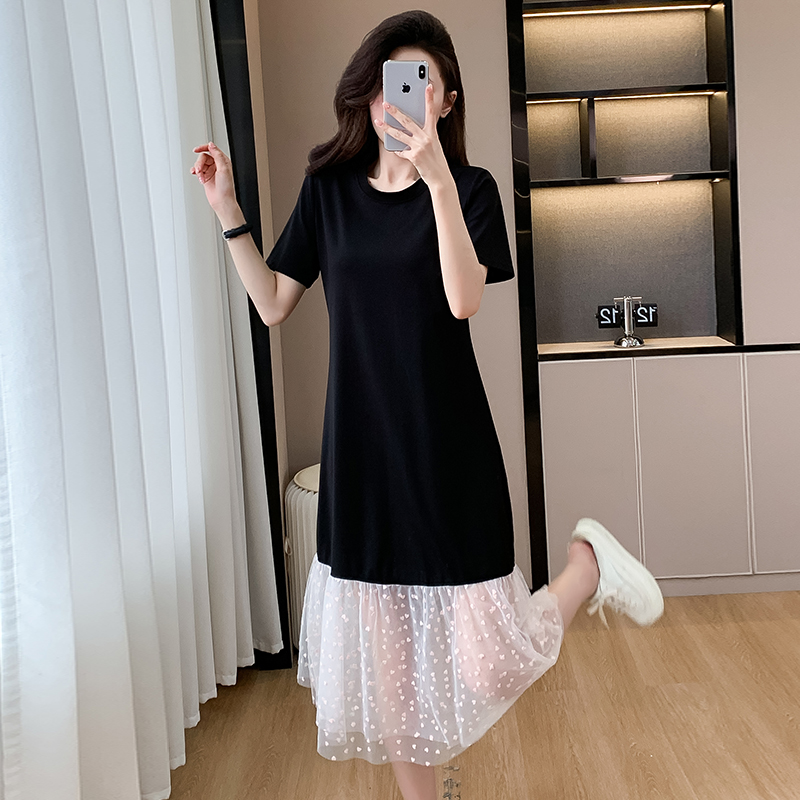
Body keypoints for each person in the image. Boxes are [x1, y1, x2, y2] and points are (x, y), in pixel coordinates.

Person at [190, 10, 664, 800]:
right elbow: (273, 303)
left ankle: (585, 566)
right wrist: (227, 210)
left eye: (419, 84)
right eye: (386, 83)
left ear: (445, 100)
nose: (397, 98)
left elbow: (463, 298)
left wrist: (437, 178)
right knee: (393, 681)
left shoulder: (471, 191)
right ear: (367, 92)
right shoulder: (329, 191)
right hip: (362, 460)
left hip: (448, 453)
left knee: (491, 662)